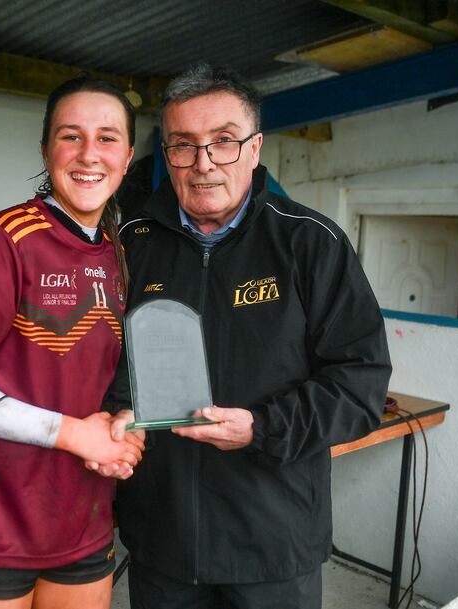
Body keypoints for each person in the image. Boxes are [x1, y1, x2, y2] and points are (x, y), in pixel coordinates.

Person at [106, 64, 392, 609]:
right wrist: (119, 412)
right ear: (166, 155)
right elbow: (109, 365)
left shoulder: (311, 242)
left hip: (273, 543)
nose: (204, 163)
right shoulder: (131, 244)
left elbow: (361, 385)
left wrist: (261, 429)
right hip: (162, 538)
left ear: (255, 147)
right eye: (184, 145)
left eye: (224, 142)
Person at [0, 75, 144, 609]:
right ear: (46, 150)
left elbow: (102, 378)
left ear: (129, 155)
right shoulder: (3, 239)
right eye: (71, 136)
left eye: (108, 137)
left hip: (82, 514)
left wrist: (122, 427)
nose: (89, 153)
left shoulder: (119, 252)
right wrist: (76, 435)